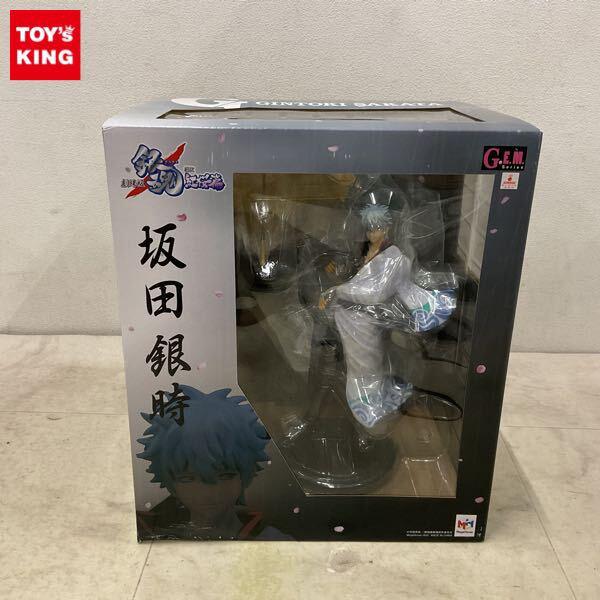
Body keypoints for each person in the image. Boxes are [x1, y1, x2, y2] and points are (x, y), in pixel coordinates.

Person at [320, 204, 456, 431]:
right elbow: (358, 279)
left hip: (370, 318)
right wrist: (337, 279)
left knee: (368, 363)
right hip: (356, 317)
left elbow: (376, 293)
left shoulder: (395, 257)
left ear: (387, 228)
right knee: (362, 363)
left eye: (378, 228)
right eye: (369, 228)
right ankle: (372, 401)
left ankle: (371, 404)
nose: (372, 233)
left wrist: (339, 291)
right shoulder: (366, 252)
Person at [136, 385, 291, 540]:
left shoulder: (272, 540)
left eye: (225, 475)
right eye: (188, 478)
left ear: (245, 474)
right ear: (169, 480)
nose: (207, 493)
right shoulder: (154, 532)